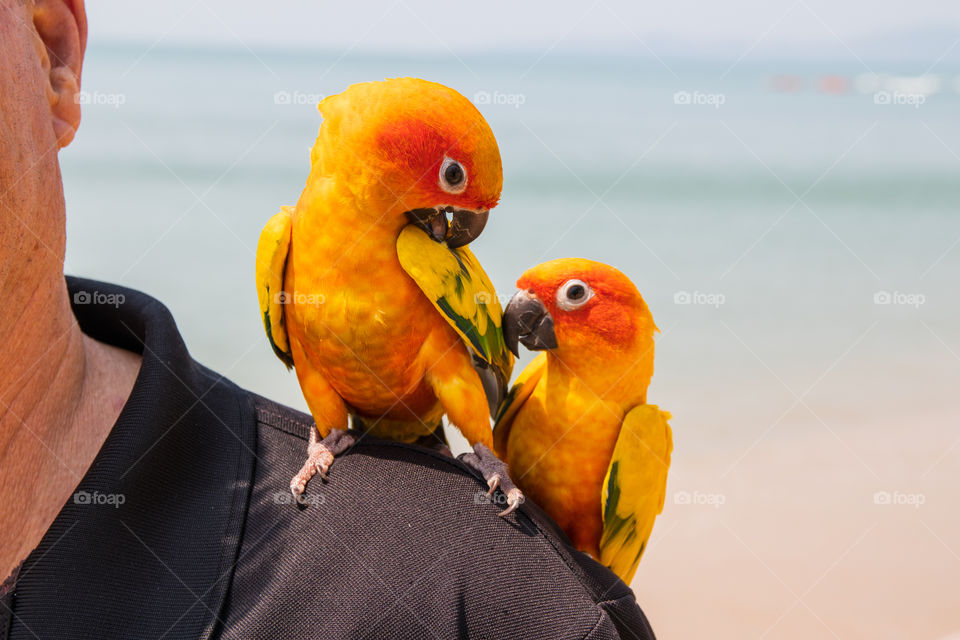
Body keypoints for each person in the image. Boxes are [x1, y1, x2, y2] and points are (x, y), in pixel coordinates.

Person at [0, 1, 657, 638]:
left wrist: (482, 462)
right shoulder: (283, 244)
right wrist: (325, 443)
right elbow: (305, 354)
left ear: (54, 52)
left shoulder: (507, 605)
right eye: (455, 180)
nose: (461, 224)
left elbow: (471, 364)